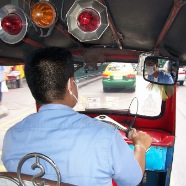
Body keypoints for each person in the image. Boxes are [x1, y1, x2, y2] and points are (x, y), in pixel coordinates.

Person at [2, 47, 152, 186]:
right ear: (70, 84)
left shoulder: (11, 136)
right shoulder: (105, 135)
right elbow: (132, 179)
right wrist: (140, 146)